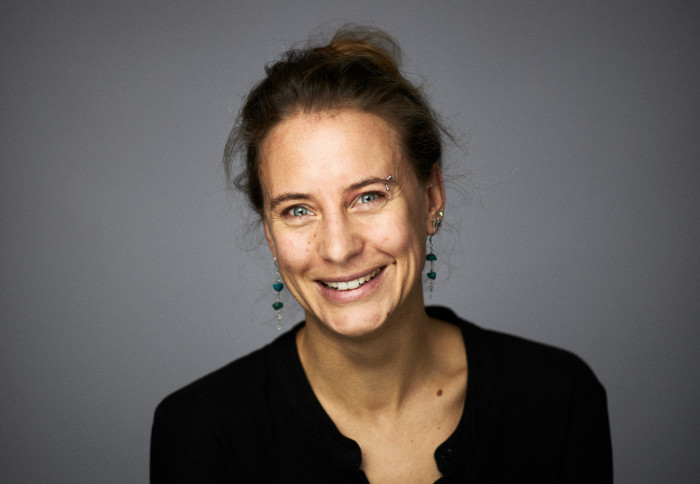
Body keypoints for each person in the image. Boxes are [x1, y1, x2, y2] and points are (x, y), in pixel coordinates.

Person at [150, 26, 612, 483]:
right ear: (270, 236)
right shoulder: (201, 433)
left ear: (431, 198)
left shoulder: (557, 398)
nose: (338, 247)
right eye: (297, 209)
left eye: (368, 197)